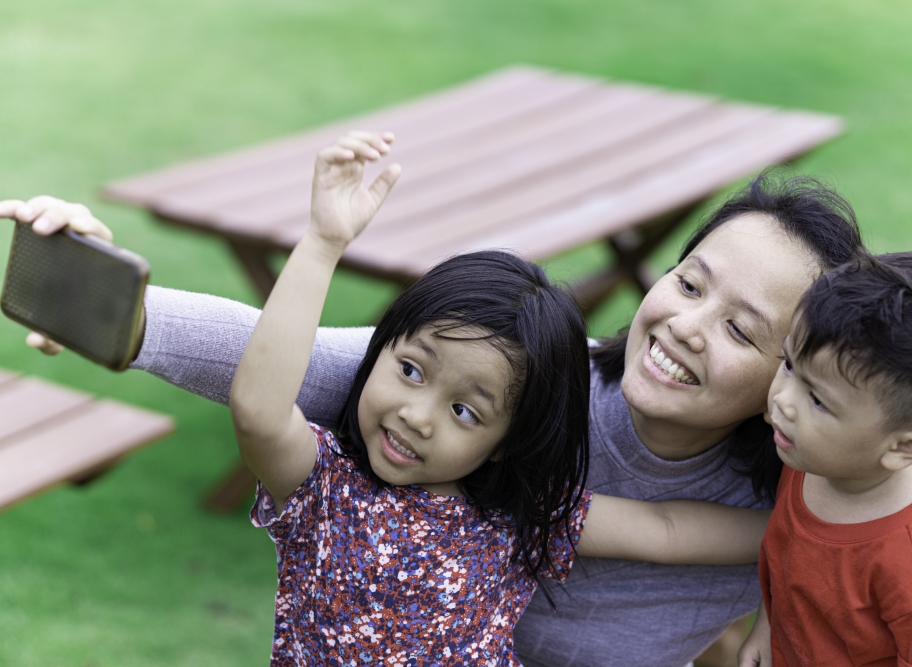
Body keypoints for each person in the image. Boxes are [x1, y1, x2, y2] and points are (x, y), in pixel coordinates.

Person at [1, 164, 864, 666]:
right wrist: (112, 308)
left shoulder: (805, 486)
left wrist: (795, 567)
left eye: (741, 328)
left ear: (793, 374)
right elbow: (278, 373)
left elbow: (691, 540)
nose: (685, 323)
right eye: (688, 282)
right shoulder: (523, 423)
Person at [737, 252, 912, 667]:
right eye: (789, 364)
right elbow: (790, 568)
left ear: (903, 448)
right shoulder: (812, 454)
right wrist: (767, 630)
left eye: (818, 400)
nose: (782, 401)